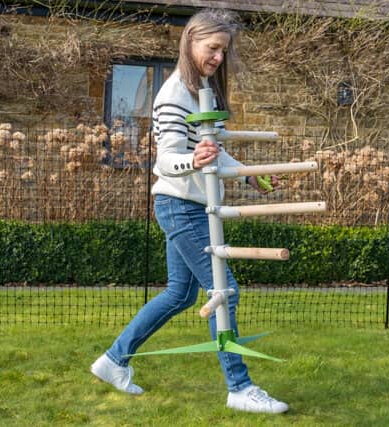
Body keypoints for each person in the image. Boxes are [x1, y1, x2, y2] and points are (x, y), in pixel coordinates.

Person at [90, 8, 288, 414]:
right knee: (224, 292)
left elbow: (210, 149)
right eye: (212, 48)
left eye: (222, 51)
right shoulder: (174, 94)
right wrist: (193, 161)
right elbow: (167, 160)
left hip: (189, 206)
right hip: (180, 206)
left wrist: (248, 175)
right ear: (191, 41)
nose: (217, 57)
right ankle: (239, 387)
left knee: (180, 295)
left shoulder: (202, 89)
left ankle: (113, 361)